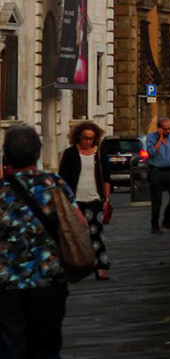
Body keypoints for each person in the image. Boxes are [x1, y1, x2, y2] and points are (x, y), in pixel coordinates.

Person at [0, 123, 74, 356]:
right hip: (48, 280)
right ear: (38, 153)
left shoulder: (1, 192)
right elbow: (78, 224)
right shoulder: (54, 185)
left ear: (6, 156)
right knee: (47, 347)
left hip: (7, 284)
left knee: (11, 347)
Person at [55, 124, 109, 281]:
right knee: (72, 235)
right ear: (78, 137)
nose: (88, 141)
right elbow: (62, 179)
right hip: (75, 200)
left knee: (97, 234)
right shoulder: (70, 154)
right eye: (85, 138)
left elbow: (106, 177)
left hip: (94, 199)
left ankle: (100, 268)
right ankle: (71, 268)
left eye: (91, 138)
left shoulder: (98, 153)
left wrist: (106, 199)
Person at [143, 118, 170, 232]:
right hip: (156, 171)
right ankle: (155, 224)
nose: (167, 131)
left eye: (169, 128)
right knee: (157, 200)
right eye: (165, 129)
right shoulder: (151, 137)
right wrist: (160, 139)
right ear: (159, 129)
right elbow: (151, 152)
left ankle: (167, 219)